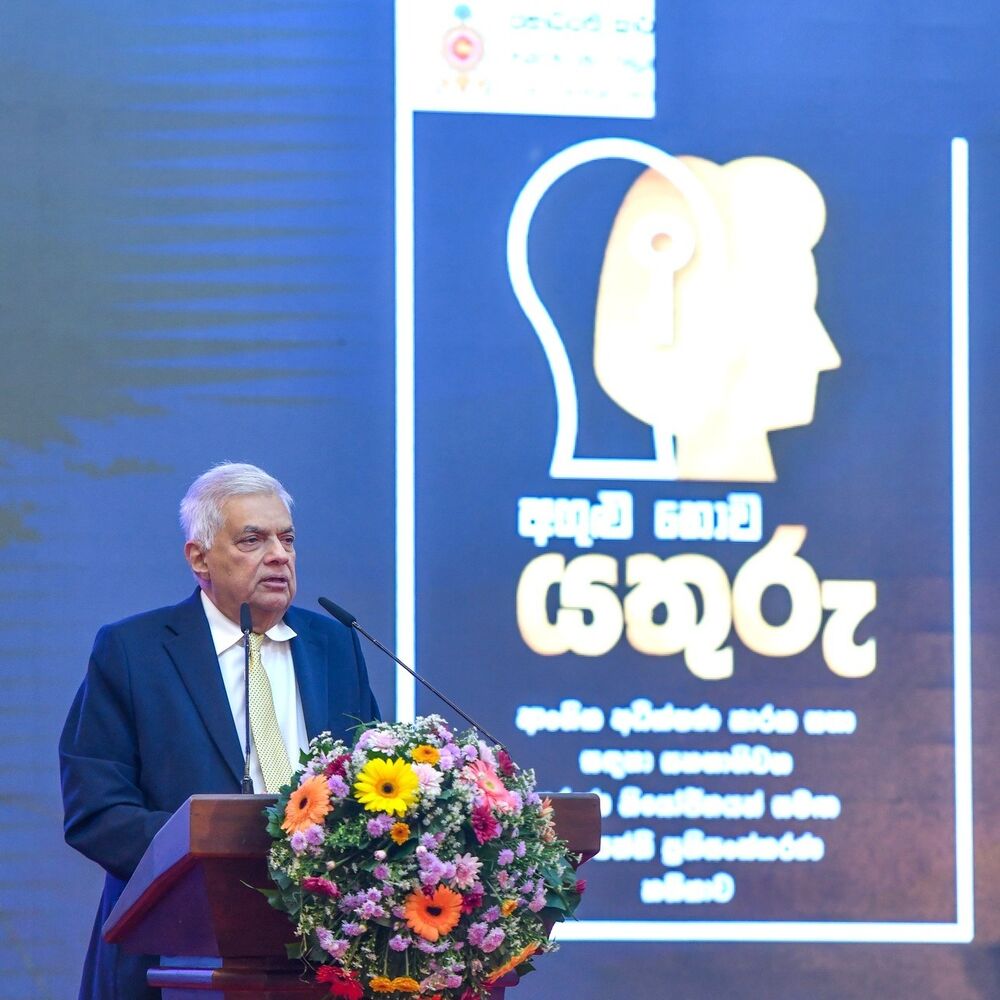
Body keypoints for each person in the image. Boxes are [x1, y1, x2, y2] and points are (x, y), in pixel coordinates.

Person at [59, 462, 380, 999]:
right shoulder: (134, 651)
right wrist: (215, 859)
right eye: (253, 540)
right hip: (171, 957)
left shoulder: (335, 645)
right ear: (198, 558)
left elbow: (373, 786)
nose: (278, 555)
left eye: (286, 539)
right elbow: (97, 810)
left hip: (322, 959)